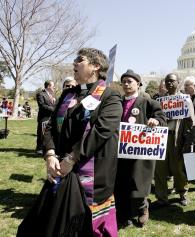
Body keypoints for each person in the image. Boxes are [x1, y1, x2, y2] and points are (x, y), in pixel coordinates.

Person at [42, 48, 122, 236]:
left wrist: (72, 158)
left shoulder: (110, 96)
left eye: (80, 60)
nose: (74, 63)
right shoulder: (67, 95)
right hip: (62, 169)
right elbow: (51, 127)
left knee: (87, 227)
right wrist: (50, 154)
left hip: (94, 174)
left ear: (95, 66)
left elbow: (101, 131)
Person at [114, 69, 166, 228]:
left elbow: (161, 119)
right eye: (124, 82)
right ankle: (123, 215)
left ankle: (143, 208)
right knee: (121, 184)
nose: (126, 84)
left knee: (138, 183)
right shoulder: (117, 103)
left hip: (140, 151)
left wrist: (155, 121)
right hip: (120, 150)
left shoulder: (148, 102)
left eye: (130, 81)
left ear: (138, 84)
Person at [154, 73, 195, 207]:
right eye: (167, 81)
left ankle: (182, 193)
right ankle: (161, 197)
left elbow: (191, 122)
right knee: (159, 168)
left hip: (177, 138)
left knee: (178, 167)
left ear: (178, 83)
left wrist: (188, 141)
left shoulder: (185, 99)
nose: (169, 83)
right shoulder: (159, 100)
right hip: (161, 137)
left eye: (172, 81)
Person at [36, 80, 56, 155]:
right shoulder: (40, 94)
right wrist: (54, 109)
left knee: (48, 134)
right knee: (41, 133)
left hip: (51, 118)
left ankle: (46, 148)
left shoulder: (52, 95)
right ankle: (39, 149)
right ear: (48, 86)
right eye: (53, 85)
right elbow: (42, 106)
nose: (54, 87)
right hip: (44, 117)